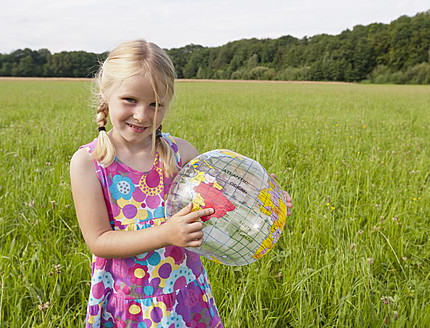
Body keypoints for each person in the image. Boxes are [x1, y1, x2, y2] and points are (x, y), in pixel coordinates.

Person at [70, 39, 292, 328]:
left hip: (184, 293)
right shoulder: (89, 163)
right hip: (130, 301)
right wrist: (166, 234)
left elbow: (218, 199)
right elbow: (99, 241)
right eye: (130, 100)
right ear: (105, 94)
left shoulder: (181, 153)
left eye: (155, 104)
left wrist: (258, 196)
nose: (142, 115)